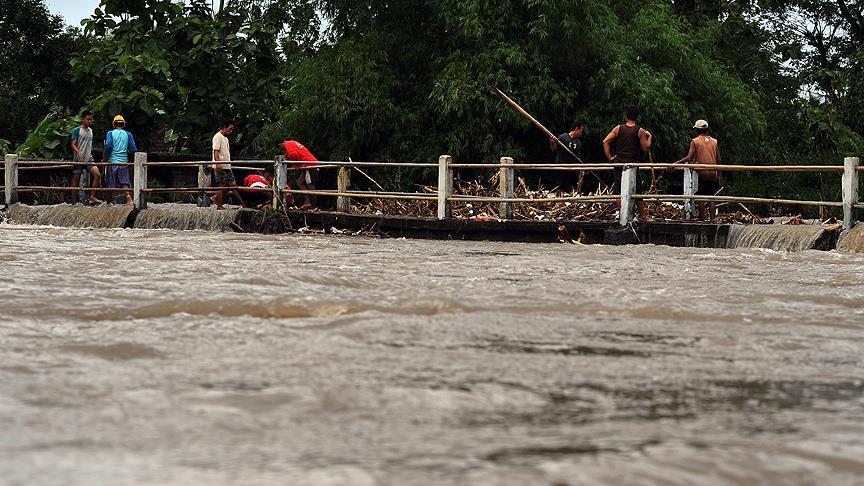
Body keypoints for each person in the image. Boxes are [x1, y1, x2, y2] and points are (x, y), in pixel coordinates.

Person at [602, 105, 653, 220]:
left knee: (618, 189)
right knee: (637, 189)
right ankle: (643, 215)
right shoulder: (640, 131)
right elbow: (646, 147)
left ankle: (622, 214)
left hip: (619, 163)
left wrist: (610, 158)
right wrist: (650, 137)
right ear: (636, 117)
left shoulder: (618, 128)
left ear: (625, 117)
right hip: (632, 164)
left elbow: (605, 141)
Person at [675, 119, 721, 221]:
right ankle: (712, 219)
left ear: (697, 130)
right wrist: (719, 173)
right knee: (712, 197)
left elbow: (689, 157)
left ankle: (701, 218)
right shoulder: (714, 142)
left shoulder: (695, 141)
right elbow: (719, 159)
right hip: (713, 172)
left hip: (703, 172)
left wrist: (674, 164)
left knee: (701, 196)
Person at [102, 115, 137, 205]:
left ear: (113, 124)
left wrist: (105, 158)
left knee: (110, 183)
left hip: (112, 162)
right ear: (123, 125)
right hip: (123, 162)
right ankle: (128, 197)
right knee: (124, 181)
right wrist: (125, 152)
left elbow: (108, 146)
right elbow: (133, 149)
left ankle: (108, 202)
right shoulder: (128, 134)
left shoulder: (110, 133)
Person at [70, 111, 103, 205]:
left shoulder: (91, 131)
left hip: (88, 158)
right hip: (78, 159)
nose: (89, 121)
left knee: (97, 174)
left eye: (91, 120)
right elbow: (73, 144)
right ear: (83, 119)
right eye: (88, 119)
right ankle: (73, 202)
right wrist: (78, 152)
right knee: (76, 181)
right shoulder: (77, 130)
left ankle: (92, 197)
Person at [211, 120, 245, 210]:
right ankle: (219, 204)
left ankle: (216, 196)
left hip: (226, 165)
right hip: (221, 164)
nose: (231, 131)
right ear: (224, 127)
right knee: (222, 184)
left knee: (232, 185)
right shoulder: (218, 137)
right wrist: (217, 163)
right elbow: (216, 151)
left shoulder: (225, 138)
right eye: (229, 129)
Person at [281, 140, 319, 210]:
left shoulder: (288, 145)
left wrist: (296, 165)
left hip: (309, 164)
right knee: (299, 183)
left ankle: (313, 207)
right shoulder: (292, 142)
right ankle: (307, 202)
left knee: (310, 186)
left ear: (281, 144)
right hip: (307, 164)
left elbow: (294, 154)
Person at [549, 122, 585, 190]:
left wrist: (583, 166)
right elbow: (553, 149)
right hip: (561, 167)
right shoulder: (563, 137)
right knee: (560, 187)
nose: (581, 133)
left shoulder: (578, 143)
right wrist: (552, 142)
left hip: (572, 169)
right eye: (581, 130)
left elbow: (577, 157)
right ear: (577, 129)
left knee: (574, 187)